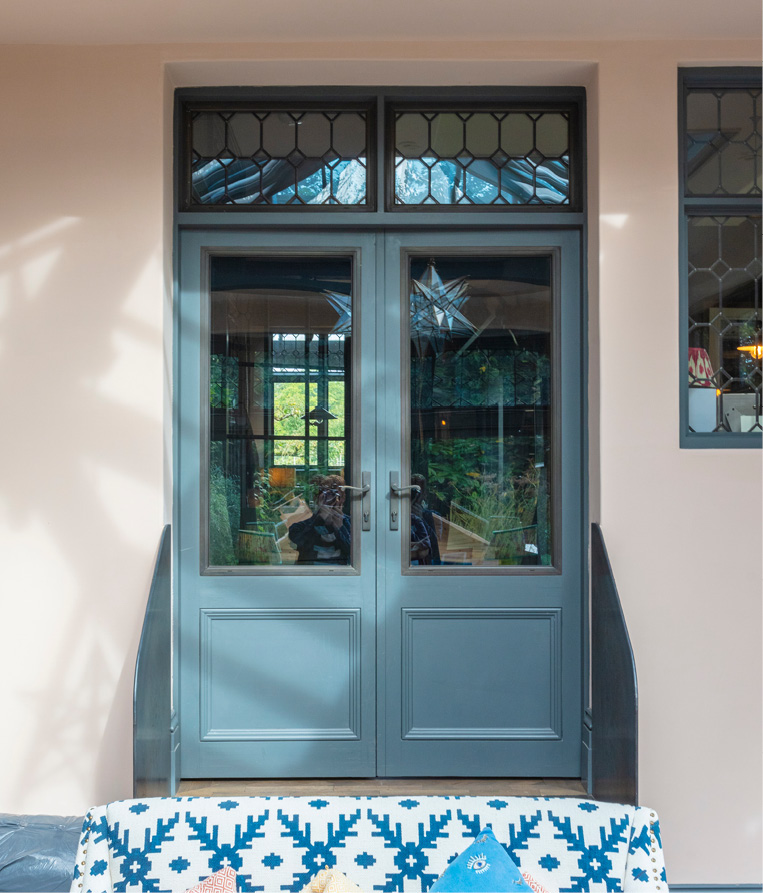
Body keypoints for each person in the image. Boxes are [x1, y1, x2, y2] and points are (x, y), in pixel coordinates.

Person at [288, 475, 351, 565]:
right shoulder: (300, 526)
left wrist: (340, 527)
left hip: (341, 576)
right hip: (310, 575)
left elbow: (354, 552)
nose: (331, 499)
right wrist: (320, 518)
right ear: (318, 498)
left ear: (343, 498)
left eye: (335, 495)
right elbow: (301, 542)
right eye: (326, 495)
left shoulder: (351, 524)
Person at [410, 474, 442, 565]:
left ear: (424, 495)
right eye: (411, 492)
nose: (413, 497)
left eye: (416, 493)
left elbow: (436, 550)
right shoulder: (396, 516)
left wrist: (421, 519)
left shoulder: (431, 516)